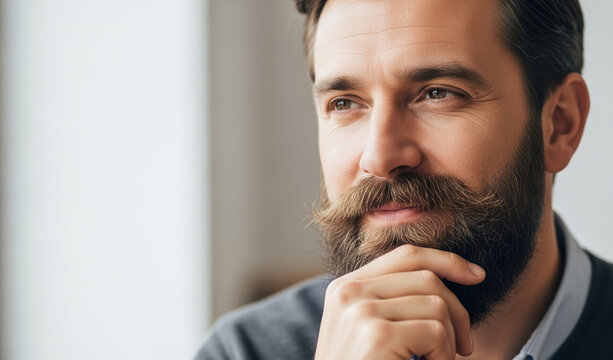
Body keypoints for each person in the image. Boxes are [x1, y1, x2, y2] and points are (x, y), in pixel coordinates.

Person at [195, 0, 613, 358]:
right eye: (344, 103)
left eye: (438, 93)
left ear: (559, 123)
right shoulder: (241, 350)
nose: (380, 157)